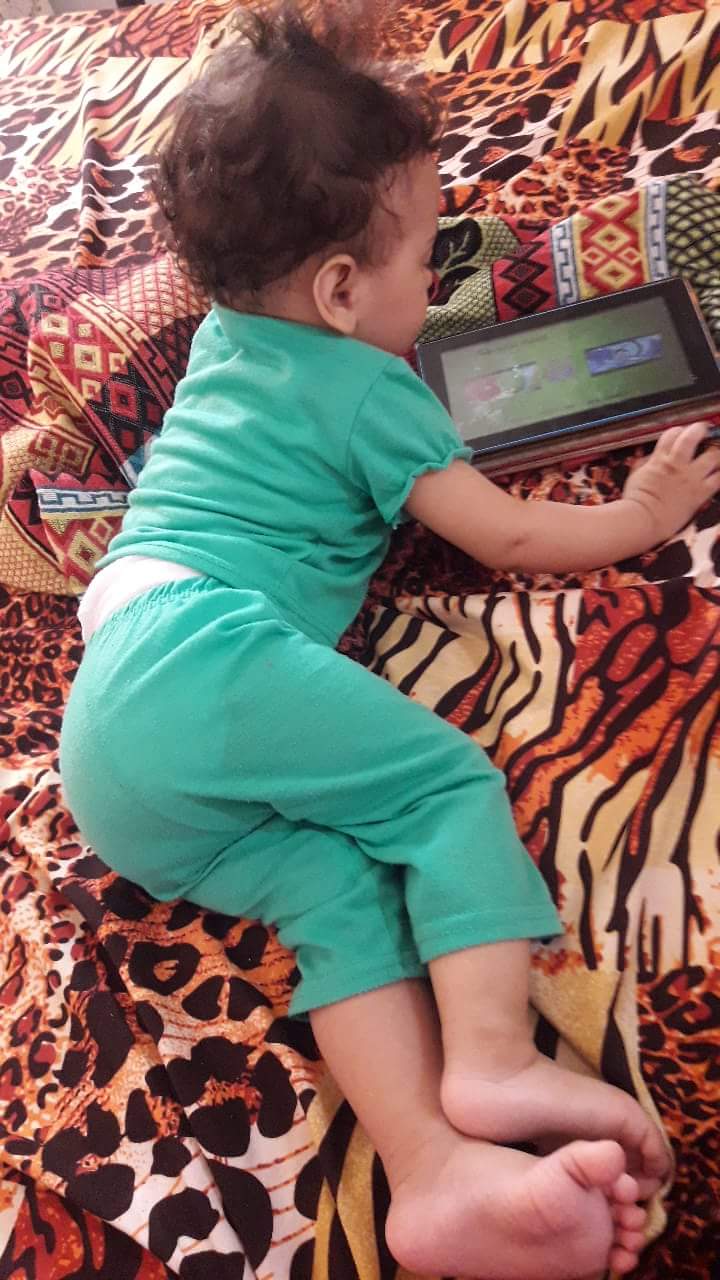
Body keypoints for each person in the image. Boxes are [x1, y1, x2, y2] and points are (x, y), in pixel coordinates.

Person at [59, 6, 720, 1276]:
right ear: (340, 289)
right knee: (442, 785)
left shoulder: (221, 340)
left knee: (338, 893)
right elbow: (506, 535)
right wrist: (643, 513)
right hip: (198, 649)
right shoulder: (374, 390)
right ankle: (493, 1056)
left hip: (115, 755)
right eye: (427, 254)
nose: (438, 281)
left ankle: (427, 1169)